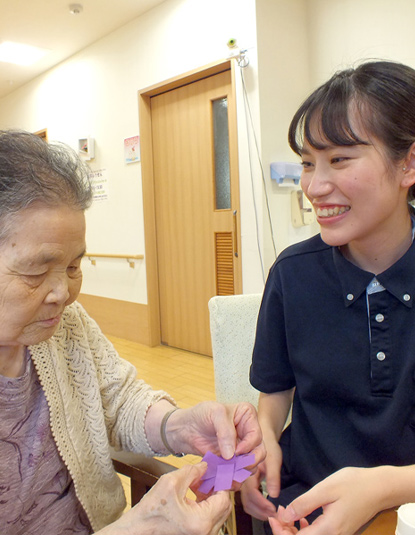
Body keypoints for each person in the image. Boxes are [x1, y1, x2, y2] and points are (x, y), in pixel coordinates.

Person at [0, 129, 265, 535]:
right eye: (37, 270)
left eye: (74, 267)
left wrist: (179, 425)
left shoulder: (66, 327)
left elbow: (118, 400)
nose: (64, 293)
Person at [242, 60, 415, 535]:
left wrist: (383, 489)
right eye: (306, 163)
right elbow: (275, 389)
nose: (314, 187)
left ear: (409, 164)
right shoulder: (292, 273)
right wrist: (267, 440)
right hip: (304, 500)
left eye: (339, 159)